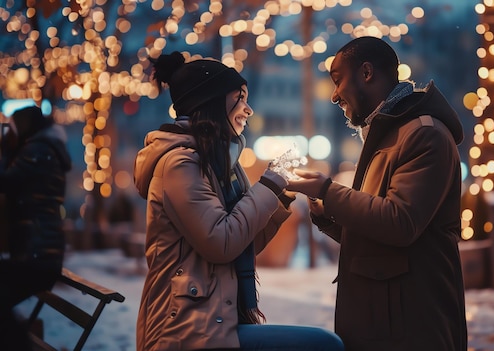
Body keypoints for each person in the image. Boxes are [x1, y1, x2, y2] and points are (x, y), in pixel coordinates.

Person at [133, 51, 344, 351]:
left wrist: (280, 196)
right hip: (183, 332)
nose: (248, 109)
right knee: (324, 346)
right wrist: (269, 185)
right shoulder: (180, 165)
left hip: (213, 322)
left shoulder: (219, 166)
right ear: (212, 103)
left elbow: (245, 245)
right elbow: (222, 243)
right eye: (240, 98)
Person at [287, 36, 468, 350]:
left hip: (412, 328)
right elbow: (377, 234)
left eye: (338, 80)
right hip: (385, 324)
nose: (333, 95)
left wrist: (327, 191)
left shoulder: (424, 134)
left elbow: (400, 223)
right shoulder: (388, 136)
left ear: (367, 73)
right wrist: (325, 214)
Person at [0, 105, 72, 350]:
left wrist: (2, 150)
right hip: (39, 252)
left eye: (11, 128)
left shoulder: (37, 150)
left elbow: (6, 182)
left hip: (37, 255)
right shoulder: (42, 148)